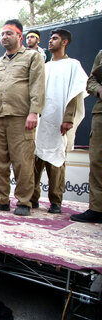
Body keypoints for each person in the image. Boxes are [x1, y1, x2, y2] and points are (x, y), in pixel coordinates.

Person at [0, 19, 45, 216]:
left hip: (21, 116)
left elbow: (37, 86)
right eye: (2, 34)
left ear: (19, 36)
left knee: (22, 161)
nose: (4, 37)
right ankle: (2, 199)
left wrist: (34, 112)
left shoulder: (32, 57)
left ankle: (24, 201)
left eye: (9, 33)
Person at [31, 29, 88, 214]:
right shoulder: (45, 66)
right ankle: (32, 198)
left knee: (56, 161)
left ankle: (56, 201)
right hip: (41, 120)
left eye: (55, 39)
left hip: (59, 121)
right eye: (50, 38)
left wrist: (68, 118)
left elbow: (75, 93)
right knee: (35, 160)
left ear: (64, 42)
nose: (50, 41)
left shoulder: (73, 65)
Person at [70, 50, 102, 223]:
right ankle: (97, 209)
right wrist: (99, 90)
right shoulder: (101, 54)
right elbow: (91, 82)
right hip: (101, 113)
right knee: (98, 161)